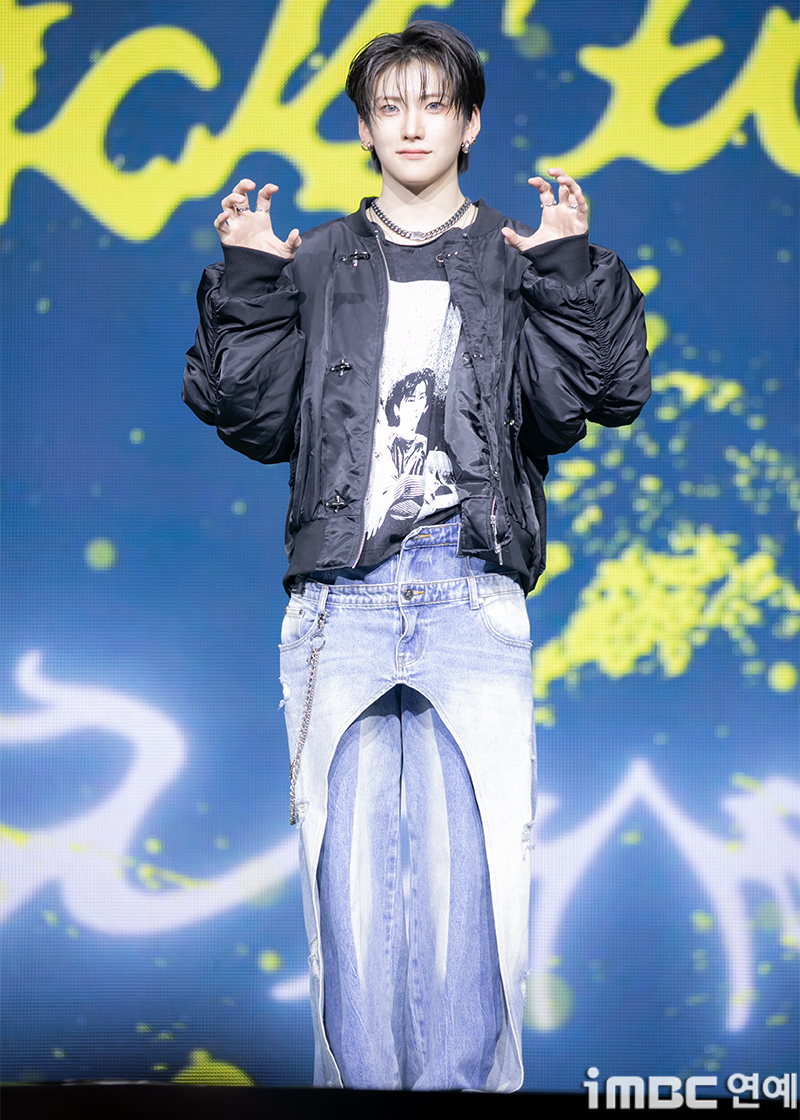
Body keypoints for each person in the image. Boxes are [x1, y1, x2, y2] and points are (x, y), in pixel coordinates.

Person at [183, 21, 650, 1092]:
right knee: (344, 892)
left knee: (472, 884)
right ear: (362, 127)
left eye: (433, 103)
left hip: (466, 586)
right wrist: (249, 279)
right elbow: (251, 418)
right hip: (337, 601)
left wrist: (568, 268)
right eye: (388, 106)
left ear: (468, 122)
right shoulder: (312, 260)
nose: (410, 124)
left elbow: (598, 397)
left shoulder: (515, 257)